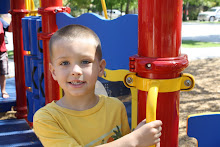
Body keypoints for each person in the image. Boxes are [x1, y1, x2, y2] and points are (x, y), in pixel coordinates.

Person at [33, 24, 162, 147]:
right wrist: (135, 139)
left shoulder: (115, 107)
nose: (76, 71)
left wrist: (143, 139)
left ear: (100, 68)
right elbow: (129, 142)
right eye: (65, 63)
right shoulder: (46, 118)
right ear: (53, 72)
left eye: (85, 61)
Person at [0, 18, 9, 98]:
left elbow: (10, 28)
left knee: (3, 72)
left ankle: (3, 91)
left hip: (1, 51)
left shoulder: (0, 20)